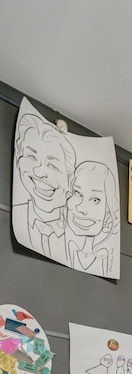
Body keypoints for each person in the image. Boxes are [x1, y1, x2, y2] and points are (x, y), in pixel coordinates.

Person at [13, 113, 76, 264]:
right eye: (32, 157)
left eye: (52, 165)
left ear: (70, 181)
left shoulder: (81, 243)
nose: (39, 172)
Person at [66, 161, 120, 276]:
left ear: (108, 210)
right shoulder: (64, 245)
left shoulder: (106, 259)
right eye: (78, 193)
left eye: (95, 200)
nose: (81, 208)